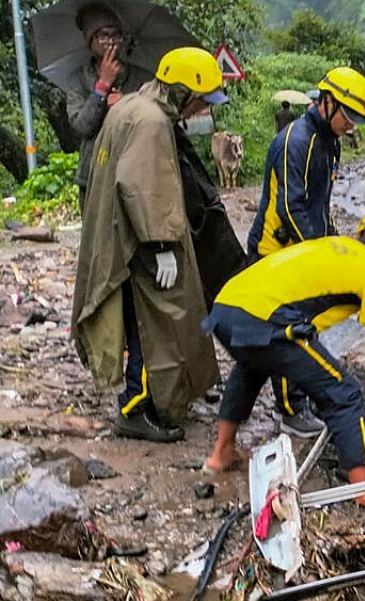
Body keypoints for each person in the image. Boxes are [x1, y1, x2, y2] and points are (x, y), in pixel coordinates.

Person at [202, 207, 365, 512]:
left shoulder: (334, 246)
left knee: (252, 364)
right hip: (267, 321)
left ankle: (220, 454)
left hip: (226, 306)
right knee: (346, 393)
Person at [72, 47, 230, 442]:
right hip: (138, 241)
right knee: (152, 323)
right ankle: (134, 407)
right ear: (182, 92)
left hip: (120, 234)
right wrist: (160, 244)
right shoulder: (151, 122)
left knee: (139, 319)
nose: (200, 111)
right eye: (200, 102)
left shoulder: (134, 105)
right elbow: (142, 187)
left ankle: (157, 398)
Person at [244, 66, 365, 438]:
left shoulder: (330, 142)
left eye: (355, 119)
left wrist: (332, 243)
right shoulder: (294, 142)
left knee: (303, 328)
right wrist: (316, 254)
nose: (351, 125)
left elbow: (321, 201)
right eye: (347, 116)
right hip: (276, 249)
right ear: (327, 102)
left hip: (307, 245)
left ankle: (296, 395)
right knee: (289, 331)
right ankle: (289, 409)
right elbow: (290, 206)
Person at [65, 3, 149, 209]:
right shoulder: (77, 79)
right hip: (93, 173)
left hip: (133, 172)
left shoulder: (140, 77)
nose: (110, 42)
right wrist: (101, 87)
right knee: (96, 239)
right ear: (90, 40)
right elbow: (82, 126)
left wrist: (128, 103)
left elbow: (154, 118)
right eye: (103, 35)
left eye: (115, 35)